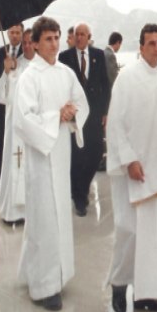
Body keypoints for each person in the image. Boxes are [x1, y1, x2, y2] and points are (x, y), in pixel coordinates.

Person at [106, 23, 157, 312]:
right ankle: (119, 284)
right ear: (140, 47)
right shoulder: (126, 78)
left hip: (155, 167)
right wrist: (128, 159)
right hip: (133, 170)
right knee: (128, 230)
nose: (156, 48)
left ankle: (147, 294)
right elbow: (115, 123)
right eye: (150, 43)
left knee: (151, 234)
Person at [13, 16, 89, 311]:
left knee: (58, 216)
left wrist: (72, 112)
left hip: (61, 154)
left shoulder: (66, 72)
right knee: (44, 218)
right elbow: (23, 119)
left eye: (57, 37)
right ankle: (44, 286)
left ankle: (58, 275)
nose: (55, 43)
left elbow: (81, 103)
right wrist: (54, 117)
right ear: (34, 43)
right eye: (48, 39)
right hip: (41, 157)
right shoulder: (29, 77)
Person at [59, 23, 110, 217]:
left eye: (83, 34)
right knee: (77, 155)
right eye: (76, 34)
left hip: (95, 113)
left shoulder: (98, 55)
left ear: (89, 37)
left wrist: (105, 111)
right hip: (76, 115)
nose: (79, 37)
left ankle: (82, 186)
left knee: (96, 152)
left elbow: (105, 84)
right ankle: (79, 197)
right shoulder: (65, 57)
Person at [0, 28, 36, 224]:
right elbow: (2, 98)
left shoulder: (40, 67)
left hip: (33, 128)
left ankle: (32, 212)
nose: (27, 46)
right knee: (15, 164)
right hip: (15, 128)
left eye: (30, 42)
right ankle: (12, 213)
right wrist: (6, 72)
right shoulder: (16, 65)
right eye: (25, 42)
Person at [0, 23, 23, 193]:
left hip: (19, 105)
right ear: (8, 33)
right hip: (4, 105)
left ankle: (17, 180)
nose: (14, 36)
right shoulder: (0, 51)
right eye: (11, 32)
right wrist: (6, 69)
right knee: (1, 140)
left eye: (18, 32)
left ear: (22, 33)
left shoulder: (26, 51)